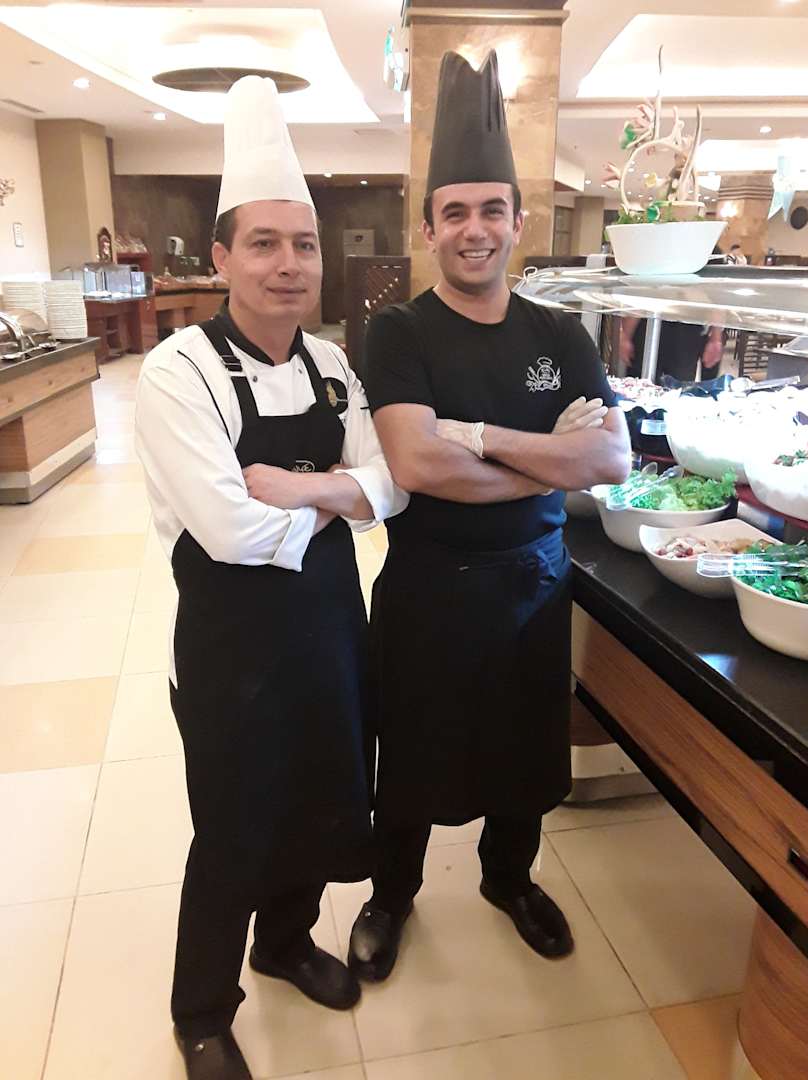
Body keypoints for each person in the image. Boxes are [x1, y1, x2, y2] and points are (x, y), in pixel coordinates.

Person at [135, 76, 407, 1080]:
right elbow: (230, 530)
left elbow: (392, 488)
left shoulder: (334, 366)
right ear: (221, 258)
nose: (288, 264)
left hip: (331, 630)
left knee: (326, 799)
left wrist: (303, 486)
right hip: (230, 650)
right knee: (234, 828)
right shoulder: (179, 372)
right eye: (263, 243)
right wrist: (342, 493)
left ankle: (285, 942)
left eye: (304, 244)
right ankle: (203, 1011)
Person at [347, 51, 631, 982]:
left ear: (518, 220)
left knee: (525, 754)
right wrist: (544, 458)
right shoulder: (399, 331)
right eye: (457, 212)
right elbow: (415, 464)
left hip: (533, 584)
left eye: (493, 210)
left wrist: (477, 438)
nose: (476, 230)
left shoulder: (559, 333)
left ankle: (509, 879)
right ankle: (391, 894)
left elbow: (610, 461)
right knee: (412, 755)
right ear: (429, 227)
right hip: (428, 586)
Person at [619, 317, 725, 383]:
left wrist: (625, 334)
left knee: (641, 388)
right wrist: (715, 337)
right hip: (683, 324)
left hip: (685, 324)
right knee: (676, 388)